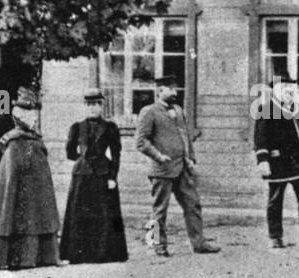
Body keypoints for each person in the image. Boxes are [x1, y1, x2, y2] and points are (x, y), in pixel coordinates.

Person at [135, 75, 220, 257]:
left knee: (193, 205)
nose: (175, 92)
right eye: (170, 89)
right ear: (160, 90)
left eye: (176, 89)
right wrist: (158, 156)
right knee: (159, 210)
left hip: (182, 168)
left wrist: (191, 158)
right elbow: (141, 141)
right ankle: (156, 244)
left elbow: (186, 137)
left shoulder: (179, 111)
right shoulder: (149, 112)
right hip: (161, 170)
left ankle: (199, 243)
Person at [0, 86, 61, 270]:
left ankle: (41, 255)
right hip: (20, 193)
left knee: (37, 212)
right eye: (28, 114)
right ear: (18, 115)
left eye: (33, 114)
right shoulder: (15, 143)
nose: (33, 118)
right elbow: (13, 173)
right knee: (14, 212)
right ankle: (12, 256)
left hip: (34, 192)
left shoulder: (35, 141)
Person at [254, 75, 299, 248]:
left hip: (298, 164)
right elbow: (260, 138)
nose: (289, 91)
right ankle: (275, 237)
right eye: (284, 88)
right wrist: (263, 160)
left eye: (291, 88)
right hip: (278, 163)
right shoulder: (267, 109)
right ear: (276, 90)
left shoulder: (298, 110)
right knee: (275, 201)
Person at [59, 88, 128, 264]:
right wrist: (83, 161)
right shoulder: (76, 127)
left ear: (101, 106)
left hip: (103, 174)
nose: (93, 108)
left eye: (96, 104)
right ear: (85, 106)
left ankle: (104, 254)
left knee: (104, 214)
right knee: (79, 213)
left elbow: (116, 154)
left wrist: (113, 177)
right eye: (89, 104)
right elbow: (69, 152)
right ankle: (78, 254)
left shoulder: (110, 127)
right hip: (81, 175)